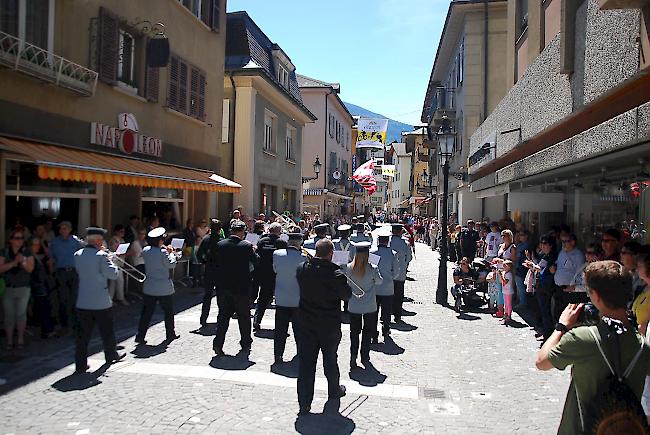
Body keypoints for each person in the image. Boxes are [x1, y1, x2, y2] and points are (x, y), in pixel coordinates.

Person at [536, 261, 650, 435]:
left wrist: (561, 326)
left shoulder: (583, 339)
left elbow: (541, 362)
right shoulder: (643, 347)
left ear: (595, 295)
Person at [296, 239, 351, 416]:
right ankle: (333, 390)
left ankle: (304, 403)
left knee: (306, 363)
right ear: (331, 254)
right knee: (330, 359)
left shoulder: (302, 268)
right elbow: (347, 296)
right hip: (328, 325)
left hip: (306, 323)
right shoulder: (335, 273)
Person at [73, 227, 125, 374]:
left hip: (83, 300)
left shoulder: (78, 254)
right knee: (107, 331)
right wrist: (110, 259)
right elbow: (113, 275)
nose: (102, 242)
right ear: (97, 240)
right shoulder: (101, 256)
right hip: (100, 301)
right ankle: (111, 355)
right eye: (101, 240)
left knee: (83, 335)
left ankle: (80, 364)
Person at [212, 220, 259, 356]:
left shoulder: (220, 245)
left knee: (223, 317)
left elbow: (214, 263)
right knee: (244, 317)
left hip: (223, 287)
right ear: (242, 232)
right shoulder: (246, 246)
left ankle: (218, 343)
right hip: (241, 287)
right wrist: (254, 250)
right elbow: (256, 262)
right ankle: (245, 342)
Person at [135, 227, 179, 345]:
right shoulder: (163, 252)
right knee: (168, 312)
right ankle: (170, 334)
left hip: (149, 286)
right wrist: (172, 254)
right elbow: (171, 264)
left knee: (146, 313)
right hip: (163, 287)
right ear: (159, 240)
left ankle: (140, 335)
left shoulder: (146, 250)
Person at [343, 242, 382, 369]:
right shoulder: (373, 268)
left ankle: (353, 357)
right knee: (367, 332)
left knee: (354, 333)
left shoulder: (348, 268)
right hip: (369, 306)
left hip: (354, 305)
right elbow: (379, 281)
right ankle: (365, 356)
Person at [272, 231, 306, 364]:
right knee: (299, 329)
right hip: (298, 299)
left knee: (280, 329)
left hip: (281, 297)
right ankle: (300, 351)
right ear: (300, 243)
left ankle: (278, 354)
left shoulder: (277, 254)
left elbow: (275, 270)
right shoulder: (303, 257)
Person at [0, 230, 35, 349]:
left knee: (21, 314)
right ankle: (9, 341)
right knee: (9, 315)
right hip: (8, 288)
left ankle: (20, 339)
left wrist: (23, 261)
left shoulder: (27, 251)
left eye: (21, 238)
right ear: (11, 240)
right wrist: (14, 262)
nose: (19, 240)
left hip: (23, 287)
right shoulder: (4, 252)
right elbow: (1, 268)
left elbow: (30, 269)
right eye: (16, 238)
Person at [50, 221, 83, 332]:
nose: (63, 230)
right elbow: (51, 258)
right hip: (61, 272)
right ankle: (65, 324)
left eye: (65, 228)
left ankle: (76, 323)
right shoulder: (55, 242)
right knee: (63, 299)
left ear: (69, 229)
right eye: (61, 228)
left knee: (75, 298)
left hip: (74, 271)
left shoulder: (76, 241)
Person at [253, 222, 287, 330]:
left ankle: (257, 320)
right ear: (279, 231)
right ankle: (280, 325)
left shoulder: (262, 241)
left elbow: (257, 255)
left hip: (263, 273)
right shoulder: (281, 242)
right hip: (277, 273)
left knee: (262, 298)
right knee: (279, 301)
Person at [370, 233, 397, 342]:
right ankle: (386, 329)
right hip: (387, 288)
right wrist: (389, 277)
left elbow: (370, 270)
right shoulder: (393, 254)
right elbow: (396, 272)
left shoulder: (372, 253)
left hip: (374, 288)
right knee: (386, 311)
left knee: (373, 312)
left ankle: (373, 332)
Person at [196, 219, 223, 326]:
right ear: (220, 229)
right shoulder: (221, 240)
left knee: (207, 296)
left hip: (208, 269)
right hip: (219, 270)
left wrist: (204, 261)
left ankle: (203, 319)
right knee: (220, 296)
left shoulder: (206, 239)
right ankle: (220, 318)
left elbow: (199, 254)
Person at [29, 237, 55, 339]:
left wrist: (43, 245)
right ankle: (47, 330)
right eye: (34, 245)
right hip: (36, 286)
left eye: (38, 245)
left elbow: (49, 256)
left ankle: (45, 330)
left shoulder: (39, 256)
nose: (37, 247)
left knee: (44, 307)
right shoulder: (28, 256)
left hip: (42, 285)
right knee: (43, 308)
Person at [554, 233, 585, 307]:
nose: (563, 244)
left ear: (572, 242)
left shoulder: (578, 255)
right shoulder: (562, 252)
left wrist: (573, 287)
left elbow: (580, 273)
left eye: (565, 241)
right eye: (562, 241)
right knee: (557, 312)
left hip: (570, 289)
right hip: (558, 288)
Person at [390, 223, 412, 321]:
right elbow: (409, 258)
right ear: (400, 231)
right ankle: (397, 314)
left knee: (388, 294)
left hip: (388, 273)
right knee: (399, 294)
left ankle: (387, 313)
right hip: (400, 273)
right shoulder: (405, 243)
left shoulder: (387, 241)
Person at [108, 225, 129, 306]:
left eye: (123, 231)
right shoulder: (113, 240)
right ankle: (120, 298)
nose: (123, 233)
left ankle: (111, 299)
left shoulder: (122, 240)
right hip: (115, 262)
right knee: (119, 281)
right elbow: (115, 250)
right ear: (116, 232)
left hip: (120, 262)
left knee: (114, 283)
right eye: (121, 231)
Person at [514, 230, 531, 310]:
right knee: (518, 286)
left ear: (526, 236)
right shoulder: (519, 245)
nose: (520, 236)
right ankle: (520, 301)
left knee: (521, 286)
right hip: (518, 267)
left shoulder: (527, 246)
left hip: (522, 268)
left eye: (522, 235)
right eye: (519, 235)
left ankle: (523, 303)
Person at [498, 260, 515, 324]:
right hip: (505, 290)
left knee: (508, 304)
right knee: (505, 303)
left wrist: (501, 275)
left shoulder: (509, 274)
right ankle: (505, 315)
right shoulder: (504, 273)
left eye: (505, 265)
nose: (503, 266)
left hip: (508, 291)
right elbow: (501, 281)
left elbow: (505, 282)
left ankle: (509, 315)